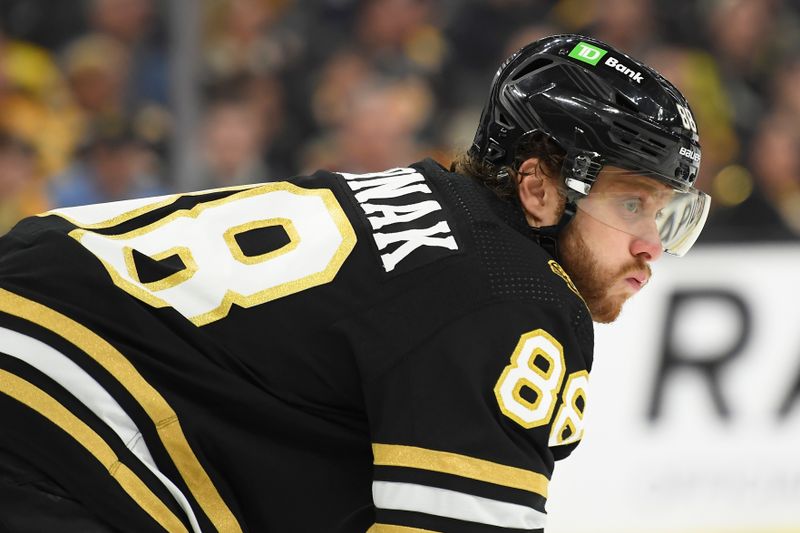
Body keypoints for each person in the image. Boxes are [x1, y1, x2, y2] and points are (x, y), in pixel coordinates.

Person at [0, 34, 709, 532]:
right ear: (538, 188)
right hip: (50, 411)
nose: (652, 245)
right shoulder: (515, 295)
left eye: (666, 211)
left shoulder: (446, 221)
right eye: (631, 203)